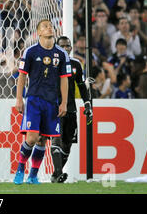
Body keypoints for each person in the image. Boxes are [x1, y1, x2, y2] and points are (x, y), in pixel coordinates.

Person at [14, 19, 71, 185]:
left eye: (50, 26)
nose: (49, 27)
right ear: (39, 32)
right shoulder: (30, 52)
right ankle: (20, 170)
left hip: (52, 102)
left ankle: (33, 175)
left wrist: (64, 102)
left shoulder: (61, 54)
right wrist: (19, 98)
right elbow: (22, 76)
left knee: (42, 139)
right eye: (45, 26)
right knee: (31, 138)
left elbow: (64, 80)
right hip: (33, 100)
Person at [50, 36, 90, 183]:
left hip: (71, 109)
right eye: (62, 46)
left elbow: (81, 85)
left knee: (67, 145)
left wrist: (87, 104)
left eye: (68, 46)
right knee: (57, 139)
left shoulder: (76, 64)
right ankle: (60, 172)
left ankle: (56, 175)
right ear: (57, 47)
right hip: (55, 108)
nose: (66, 48)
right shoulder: (51, 64)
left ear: (71, 48)